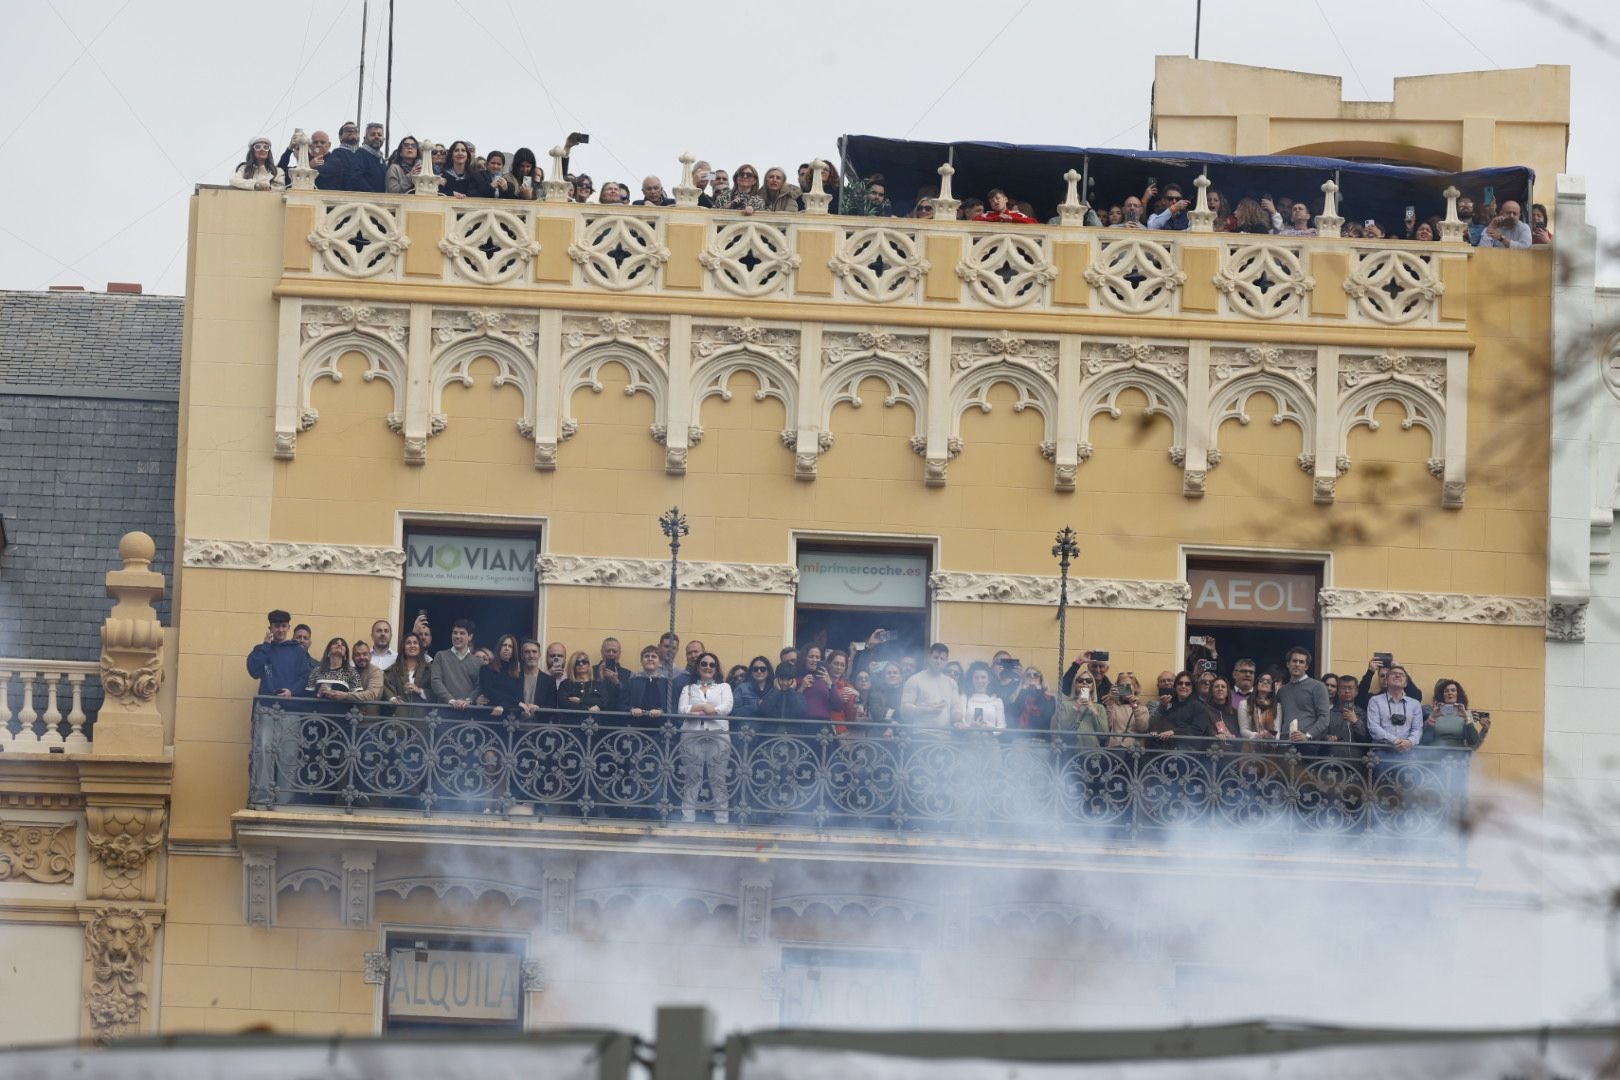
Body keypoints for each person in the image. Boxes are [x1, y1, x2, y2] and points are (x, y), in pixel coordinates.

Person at [677, 652, 732, 823]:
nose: (707, 667)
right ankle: (688, 818)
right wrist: (702, 706)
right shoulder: (688, 688)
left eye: (711, 664)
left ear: (716, 669)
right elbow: (682, 710)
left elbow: (727, 707)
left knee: (718, 779)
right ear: (698, 667)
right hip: (692, 736)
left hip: (718, 738)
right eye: (704, 664)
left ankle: (722, 819)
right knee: (692, 779)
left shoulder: (724, 687)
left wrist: (712, 711)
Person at [1278, 647, 1337, 745]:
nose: (1297, 664)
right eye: (1294, 661)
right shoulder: (1282, 691)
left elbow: (1324, 718)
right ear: (1288, 664)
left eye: (1301, 662)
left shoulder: (1318, 686)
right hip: (1283, 743)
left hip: (1307, 744)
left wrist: (1308, 736)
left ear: (1306, 667)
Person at [247, 609, 312, 697]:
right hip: (267, 703)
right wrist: (266, 645)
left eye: (284, 626)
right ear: (270, 628)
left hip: (291, 702)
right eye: (277, 626)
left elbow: (304, 676)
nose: (281, 630)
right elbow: (254, 672)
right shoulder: (262, 650)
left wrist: (292, 691)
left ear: (288, 627)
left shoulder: (298, 651)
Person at [1366, 664, 1424, 752]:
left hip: (1407, 752)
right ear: (1386, 680)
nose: (1397, 675)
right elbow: (1374, 727)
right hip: (1381, 751)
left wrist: (1409, 742)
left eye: (1402, 675)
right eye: (1393, 673)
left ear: (1406, 683)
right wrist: (1395, 741)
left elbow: (1417, 729)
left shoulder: (1415, 704)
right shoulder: (1375, 701)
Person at [900, 643, 958, 728]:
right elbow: (904, 708)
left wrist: (958, 720)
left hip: (945, 735)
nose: (938, 661)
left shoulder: (951, 682)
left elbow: (956, 707)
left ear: (946, 662)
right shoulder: (914, 680)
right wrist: (925, 710)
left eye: (942, 659)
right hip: (921, 734)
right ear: (929, 657)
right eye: (935, 657)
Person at [429, 619, 481, 708]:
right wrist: (451, 701)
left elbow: (479, 686)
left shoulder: (478, 662)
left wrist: (468, 701)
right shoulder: (441, 656)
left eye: (462, 633)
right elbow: (435, 681)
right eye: (455, 632)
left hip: (468, 713)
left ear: (470, 637)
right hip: (444, 712)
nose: (457, 636)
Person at [1148, 671, 1214, 741]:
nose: (1183, 686)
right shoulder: (1170, 704)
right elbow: (1156, 725)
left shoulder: (1200, 707)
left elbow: (1197, 729)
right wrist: (1162, 707)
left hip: (1188, 749)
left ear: (1192, 687)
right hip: (1165, 747)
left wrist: (1174, 732)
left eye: (1187, 684)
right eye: (1180, 683)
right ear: (1175, 686)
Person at [1424, 678, 1489, 749]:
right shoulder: (1434, 714)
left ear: (1458, 694)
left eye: (1453, 690)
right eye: (1446, 691)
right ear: (1442, 695)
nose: (1450, 693)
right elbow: (1424, 741)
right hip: (1435, 756)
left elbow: (1473, 745)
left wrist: (1484, 731)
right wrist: (1433, 717)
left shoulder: (1466, 715)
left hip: (1458, 758)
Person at [1055, 665, 1108, 745]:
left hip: (1092, 753)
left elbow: (1104, 735)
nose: (1084, 682)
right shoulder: (1064, 704)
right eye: (1080, 680)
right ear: (1075, 684)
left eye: (1089, 681)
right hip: (1071, 751)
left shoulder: (1099, 707)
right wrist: (1076, 706)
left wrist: (1093, 709)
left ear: (1092, 686)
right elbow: (1062, 728)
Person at [755, 662, 809, 732]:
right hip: (771, 737)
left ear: (793, 680)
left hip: (793, 738)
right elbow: (763, 710)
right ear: (777, 679)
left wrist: (791, 690)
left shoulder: (798, 696)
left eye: (788, 679)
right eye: (782, 679)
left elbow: (800, 711)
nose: (785, 683)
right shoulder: (771, 693)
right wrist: (776, 690)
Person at [623, 645, 670, 723]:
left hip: (660, 729)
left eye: (654, 656)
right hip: (636, 727)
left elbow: (671, 704)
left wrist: (661, 710)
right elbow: (622, 704)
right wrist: (632, 709)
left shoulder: (665, 683)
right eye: (646, 656)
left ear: (659, 662)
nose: (650, 659)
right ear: (641, 661)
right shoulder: (632, 681)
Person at [479, 635, 523, 716]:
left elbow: (519, 697)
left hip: (511, 720)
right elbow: (488, 692)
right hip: (490, 715)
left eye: (510, 646)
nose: (507, 648)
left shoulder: (517, 673)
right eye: (504, 645)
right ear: (499, 647)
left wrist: (503, 706)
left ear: (514, 651)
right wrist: (516, 702)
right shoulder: (486, 669)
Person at [1103, 672, 1150, 747]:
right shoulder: (1114, 707)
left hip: (1134, 751)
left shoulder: (1142, 708)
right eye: (1121, 686)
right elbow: (1107, 727)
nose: (1125, 688)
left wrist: (1135, 706)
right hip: (1115, 750)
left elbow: (1142, 729)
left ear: (1135, 688)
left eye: (1128, 685)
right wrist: (1110, 703)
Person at [384, 633, 431, 705]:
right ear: (403, 647)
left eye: (415, 643)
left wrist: (420, 691)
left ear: (420, 647)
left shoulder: (429, 669)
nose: (412, 645)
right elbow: (388, 690)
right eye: (408, 643)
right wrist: (394, 699)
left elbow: (435, 693)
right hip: (400, 713)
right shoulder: (393, 670)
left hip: (423, 715)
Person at [957, 662, 1006, 731]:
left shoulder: (997, 700)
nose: (980, 681)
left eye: (983, 677)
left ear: (989, 680)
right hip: (968, 740)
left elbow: (1002, 726)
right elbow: (960, 722)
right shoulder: (964, 698)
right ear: (972, 680)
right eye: (976, 678)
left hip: (990, 740)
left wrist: (989, 730)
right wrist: (970, 727)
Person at [512, 640, 554, 720]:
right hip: (514, 728)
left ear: (539, 655)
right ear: (522, 655)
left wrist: (538, 708)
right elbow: (509, 700)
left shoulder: (549, 681)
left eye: (534, 652)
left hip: (540, 729)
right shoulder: (514, 678)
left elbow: (552, 706)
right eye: (527, 652)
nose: (531, 655)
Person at [1009, 667, 1057, 734]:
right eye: (1028, 675)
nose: (1032, 677)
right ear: (1024, 679)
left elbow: (1047, 715)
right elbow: (1014, 714)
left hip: (1042, 740)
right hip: (1020, 739)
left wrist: (1039, 691)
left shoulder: (1050, 698)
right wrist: (1023, 691)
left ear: (1040, 679)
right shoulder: (1016, 696)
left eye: (1035, 675)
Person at [1335, 675, 1368, 745]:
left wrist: (1356, 722)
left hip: (1357, 755)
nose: (1347, 691)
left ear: (1356, 691)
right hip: (1332, 755)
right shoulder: (1330, 713)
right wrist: (1327, 738)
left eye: (1350, 688)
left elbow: (1367, 739)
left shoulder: (1364, 714)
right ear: (1338, 691)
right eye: (1343, 688)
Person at [1246, 672, 1280, 739]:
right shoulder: (1245, 704)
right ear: (1257, 685)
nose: (1264, 682)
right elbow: (1243, 730)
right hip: (1251, 746)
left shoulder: (1277, 706)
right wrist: (1257, 735)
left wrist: (1271, 736)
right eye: (1261, 680)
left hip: (1270, 745)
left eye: (1268, 682)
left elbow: (1277, 731)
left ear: (1272, 688)